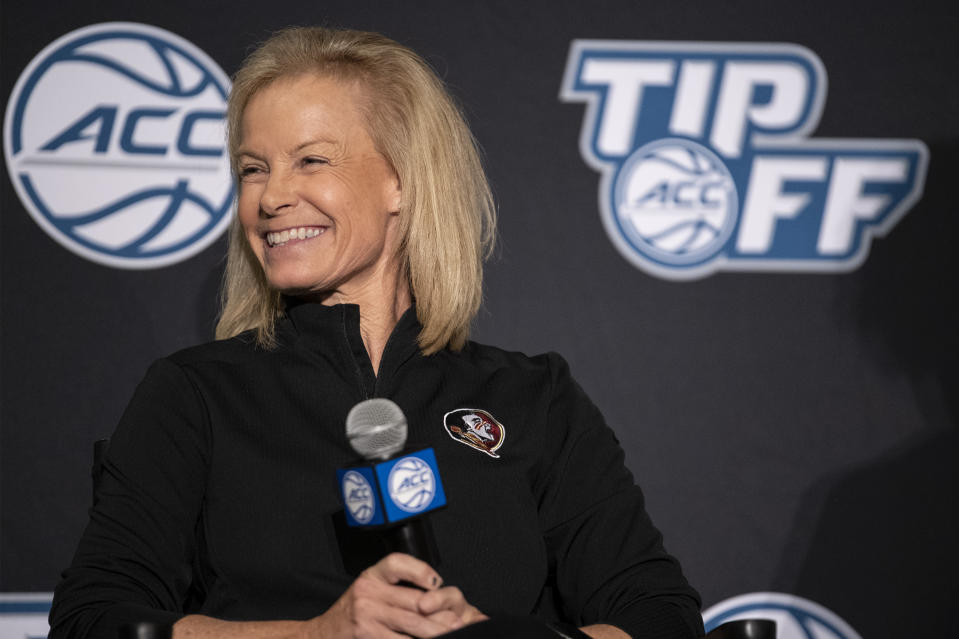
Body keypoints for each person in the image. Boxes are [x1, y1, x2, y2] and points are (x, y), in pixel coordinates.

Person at [49, 26, 704, 639]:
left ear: (401, 180)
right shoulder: (195, 395)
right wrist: (314, 634)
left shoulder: (534, 397)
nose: (271, 196)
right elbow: (95, 618)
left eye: (310, 159)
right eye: (253, 168)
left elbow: (658, 614)